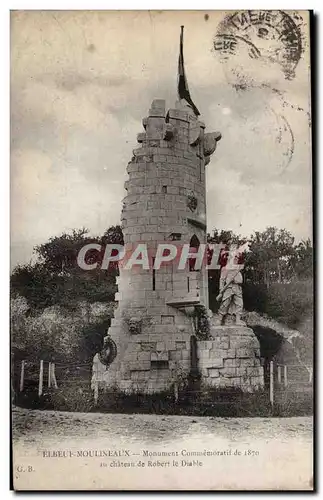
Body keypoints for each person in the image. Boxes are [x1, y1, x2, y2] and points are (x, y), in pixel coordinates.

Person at [214, 245, 246, 326]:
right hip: (228, 288)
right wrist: (221, 290)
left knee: (239, 303)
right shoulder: (225, 268)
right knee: (225, 303)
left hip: (237, 288)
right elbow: (222, 280)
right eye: (234, 257)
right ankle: (219, 319)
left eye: (237, 258)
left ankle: (238, 320)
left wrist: (236, 280)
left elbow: (241, 280)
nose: (235, 259)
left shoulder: (238, 268)